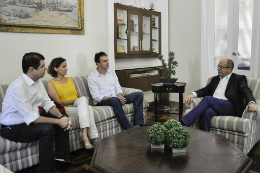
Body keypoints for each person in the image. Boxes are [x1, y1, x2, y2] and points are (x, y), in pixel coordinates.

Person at [0, 53, 80, 173]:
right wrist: (58, 122)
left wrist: (62, 117)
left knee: (63, 116)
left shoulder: (37, 82)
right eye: (42, 66)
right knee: (46, 129)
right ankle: (46, 170)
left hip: (27, 121)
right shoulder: (18, 87)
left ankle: (61, 157)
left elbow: (47, 103)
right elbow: (32, 118)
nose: (46, 68)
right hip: (12, 128)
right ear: (31, 70)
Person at [181, 59, 258, 131]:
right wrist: (192, 94)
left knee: (208, 99)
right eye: (218, 66)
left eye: (221, 67)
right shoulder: (215, 79)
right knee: (207, 112)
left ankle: (183, 123)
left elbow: (246, 90)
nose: (218, 69)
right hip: (216, 105)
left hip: (230, 106)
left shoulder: (238, 79)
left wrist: (251, 102)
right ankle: (204, 138)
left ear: (229, 69)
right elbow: (205, 90)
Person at [47, 57, 98, 148]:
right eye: (64, 66)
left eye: (66, 66)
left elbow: (78, 95)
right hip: (65, 108)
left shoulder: (71, 79)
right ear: (56, 69)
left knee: (83, 101)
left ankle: (85, 136)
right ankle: (93, 139)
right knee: (89, 108)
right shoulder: (51, 83)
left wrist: (82, 98)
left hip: (77, 105)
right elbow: (58, 102)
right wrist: (78, 100)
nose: (66, 68)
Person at [87, 52, 144, 130]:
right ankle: (128, 128)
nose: (107, 63)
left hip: (115, 99)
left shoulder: (112, 73)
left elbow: (118, 88)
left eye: (107, 60)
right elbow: (96, 96)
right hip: (102, 102)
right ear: (98, 64)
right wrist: (116, 99)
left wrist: (120, 96)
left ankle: (139, 124)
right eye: (104, 61)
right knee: (114, 100)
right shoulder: (92, 77)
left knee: (139, 94)